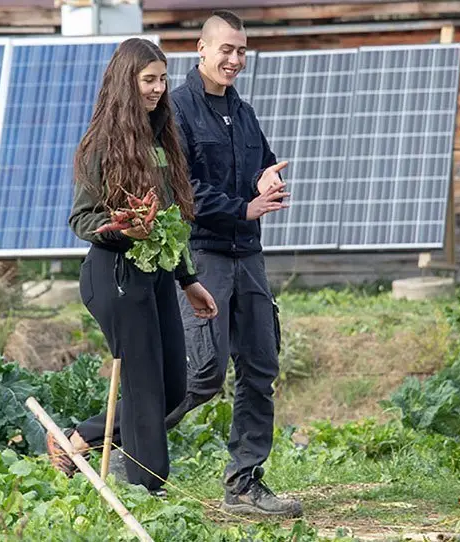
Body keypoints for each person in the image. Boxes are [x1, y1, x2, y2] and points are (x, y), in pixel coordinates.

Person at [47, 37, 218, 497]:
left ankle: (79, 437)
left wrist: (188, 280)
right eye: (149, 80)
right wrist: (123, 228)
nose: (159, 89)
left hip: (157, 273)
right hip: (115, 277)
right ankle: (150, 491)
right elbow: (82, 219)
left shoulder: (161, 139)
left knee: (174, 387)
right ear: (127, 82)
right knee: (144, 388)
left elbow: (169, 222)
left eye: (162, 79)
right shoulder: (100, 144)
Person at [163, 10, 303, 518]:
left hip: (249, 255)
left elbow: (260, 167)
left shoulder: (243, 113)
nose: (235, 59)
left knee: (260, 368)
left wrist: (265, 184)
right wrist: (243, 206)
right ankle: (119, 443)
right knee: (202, 374)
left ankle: (245, 483)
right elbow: (183, 190)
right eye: (226, 49)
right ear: (201, 48)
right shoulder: (176, 110)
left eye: (242, 51)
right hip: (204, 255)